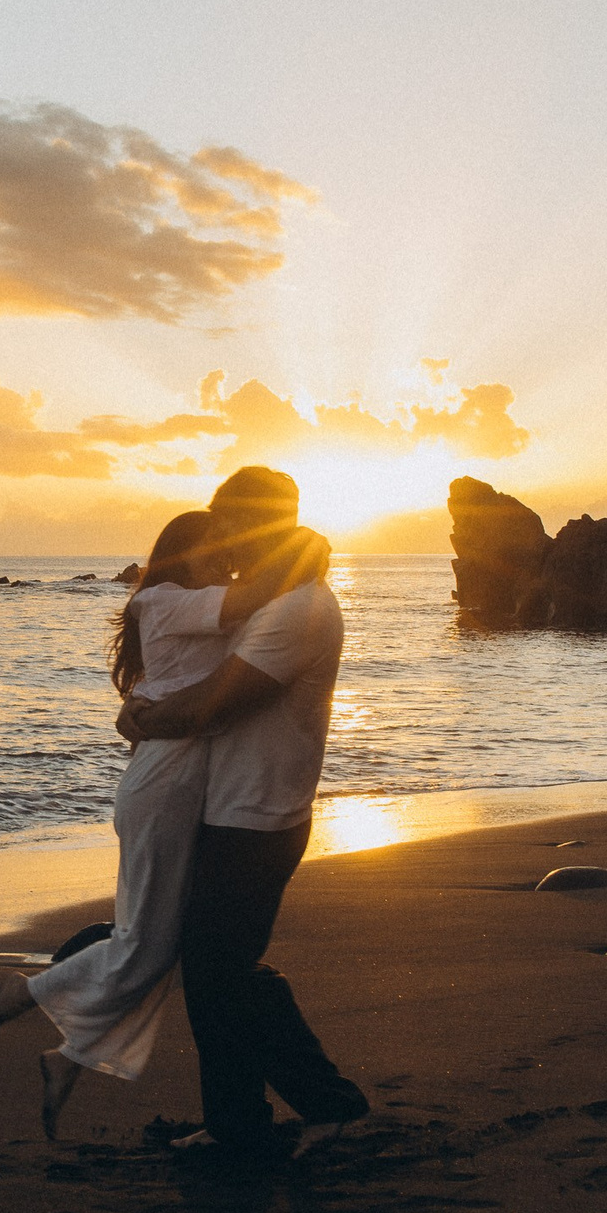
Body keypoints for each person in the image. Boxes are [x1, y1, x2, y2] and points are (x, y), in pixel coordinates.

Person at [0, 508, 328, 1138]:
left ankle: (70, 1057)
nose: (225, 560)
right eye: (213, 549)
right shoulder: (167, 600)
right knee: (150, 943)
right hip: (165, 783)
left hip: (191, 786)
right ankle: (27, 999)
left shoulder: (210, 603)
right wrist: (310, 543)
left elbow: (248, 635)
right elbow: (254, 598)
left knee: (163, 942)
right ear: (178, 556)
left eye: (233, 546)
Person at [117, 466, 369, 1160]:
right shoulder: (271, 598)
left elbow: (215, 704)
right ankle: (236, 1121)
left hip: (260, 816)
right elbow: (194, 678)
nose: (218, 538)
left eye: (225, 523)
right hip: (228, 810)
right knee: (220, 973)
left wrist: (140, 720)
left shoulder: (299, 609)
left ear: (246, 524)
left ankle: (328, 1105)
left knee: (222, 974)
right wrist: (143, 707)